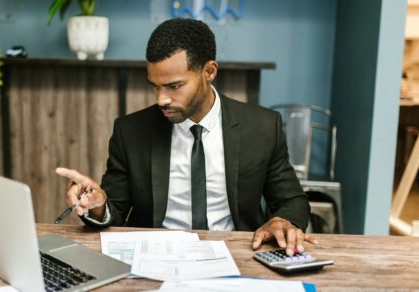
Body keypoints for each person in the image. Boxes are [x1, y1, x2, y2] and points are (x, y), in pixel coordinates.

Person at [56, 18, 316, 255]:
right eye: (154, 86)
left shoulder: (261, 126)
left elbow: (291, 199)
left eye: (174, 86)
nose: (162, 99)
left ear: (209, 72)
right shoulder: (130, 132)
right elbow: (116, 211)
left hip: (238, 253)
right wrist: (98, 205)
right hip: (155, 257)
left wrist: (284, 221)